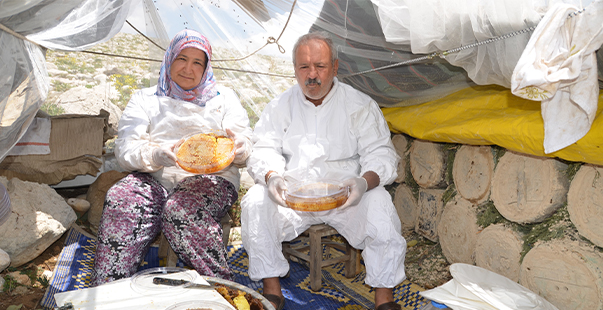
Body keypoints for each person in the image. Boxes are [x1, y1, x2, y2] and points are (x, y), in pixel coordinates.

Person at [241, 31, 406, 310]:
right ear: (295, 70)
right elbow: (263, 149)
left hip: (345, 196)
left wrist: (364, 183)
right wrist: (273, 177)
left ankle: (384, 299)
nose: (312, 75)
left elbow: (381, 153)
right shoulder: (280, 105)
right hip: (293, 198)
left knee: (379, 202)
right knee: (256, 200)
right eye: (304, 67)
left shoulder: (359, 105)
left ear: (335, 67)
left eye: (320, 66)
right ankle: (271, 290)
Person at [91, 29, 252, 286]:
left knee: (182, 211)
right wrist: (155, 154)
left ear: (206, 67)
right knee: (121, 200)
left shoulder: (225, 99)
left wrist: (241, 148)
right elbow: (125, 150)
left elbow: (244, 144)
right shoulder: (145, 98)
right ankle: (111, 290)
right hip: (154, 175)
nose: (188, 68)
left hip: (211, 179)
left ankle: (222, 288)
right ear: (169, 58)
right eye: (181, 58)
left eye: (197, 62)